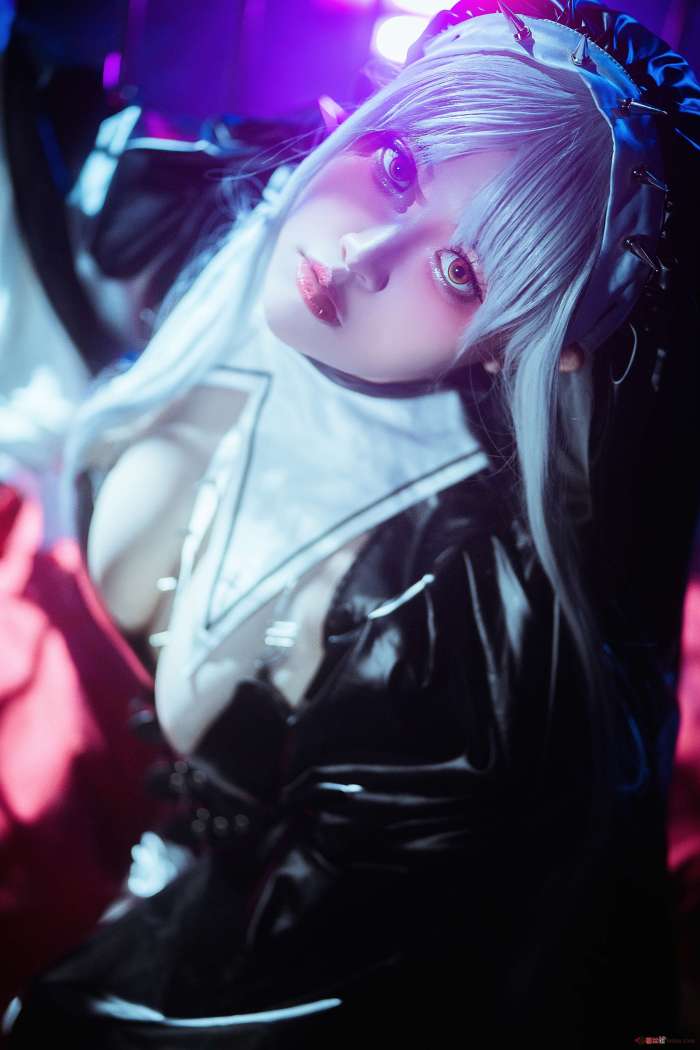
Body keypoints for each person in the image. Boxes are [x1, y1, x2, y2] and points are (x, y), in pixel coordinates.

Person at [6, 1, 700, 1046]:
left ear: (534, 346)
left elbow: (280, 988)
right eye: (400, 167)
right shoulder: (207, 208)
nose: (362, 252)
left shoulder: (457, 637)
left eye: (461, 272)